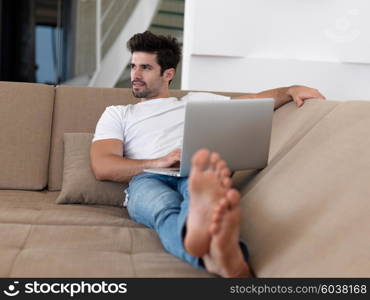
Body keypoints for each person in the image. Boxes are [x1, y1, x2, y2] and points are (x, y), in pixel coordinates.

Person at [90, 31, 326, 277]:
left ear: (168, 74)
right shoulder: (118, 113)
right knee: (163, 206)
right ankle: (217, 252)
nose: (135, 75)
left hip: (195, 171)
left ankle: (204, 238)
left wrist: (290, 90)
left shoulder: (196, 101)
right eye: (133, 66)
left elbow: (254, 102)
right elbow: (103, 166)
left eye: (145, 68)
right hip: (147, 178)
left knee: (197, 195)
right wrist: (162, 160)